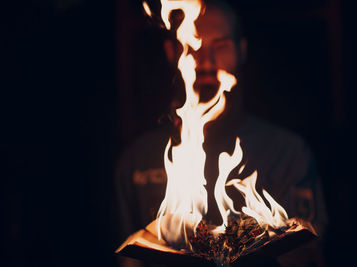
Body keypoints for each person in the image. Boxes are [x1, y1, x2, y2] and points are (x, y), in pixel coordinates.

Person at [114, 1, 328, 266]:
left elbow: (309, 256)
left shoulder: (288, 153)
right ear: (171, 52)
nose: (205, 61)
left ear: (242, 50)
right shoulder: (137, 160)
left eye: (221, 46)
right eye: (192, 47)